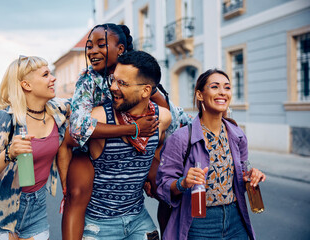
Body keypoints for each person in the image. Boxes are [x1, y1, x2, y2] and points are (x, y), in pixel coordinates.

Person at [62, 23, 191, 239]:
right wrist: (133, 128)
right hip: (93, 137)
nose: (92, 51)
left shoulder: (137, 71)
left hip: (133, 143)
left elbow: (169, 113)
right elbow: (76, 129)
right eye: (89, 46)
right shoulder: (89, 78)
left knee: (166, 182)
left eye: (100, 45)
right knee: (77, 191)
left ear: (120, 49)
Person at [156, 69, 266, 240]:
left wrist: (251, 177)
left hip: (235, 219)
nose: (222, 92)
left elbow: (242, 176)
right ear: (200, 95)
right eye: (215, 87)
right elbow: (163, 185)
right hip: (199, 223)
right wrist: (183, 182)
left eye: (227, 88)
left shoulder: (237, 135)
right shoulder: (181, 138)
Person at [0, 55, 72, 240]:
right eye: (46, 74)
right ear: (27, 85)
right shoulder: (5, 119)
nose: (53, 78)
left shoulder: (60, 110)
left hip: (37, 209)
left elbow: (91, 108)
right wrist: (8, 153)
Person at [83, 50, 171, 239]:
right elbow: (71, 136)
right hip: (99, 224)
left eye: (122, 83)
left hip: (138, 219)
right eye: (113, 80)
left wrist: (149, 175)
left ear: (146, 90)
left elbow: (157, 147)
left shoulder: (162, 117)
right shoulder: (99, 117)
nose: (113, 87)